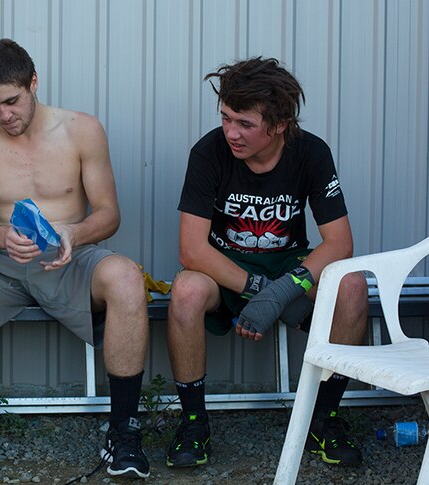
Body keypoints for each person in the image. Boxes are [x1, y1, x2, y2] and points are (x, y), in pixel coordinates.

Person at [0, 38, 151, 482]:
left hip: (70, 256)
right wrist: (1, 236)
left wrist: (74, 232)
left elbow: (109, 214)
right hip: (0, 261)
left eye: (11, 101)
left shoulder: (82, 129)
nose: (4, 116)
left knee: (125, 277)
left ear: (33, 83)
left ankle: (124, 432)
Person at [166, 57, 368, 469]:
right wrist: (260, 292)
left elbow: (340, 242)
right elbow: (192, 249)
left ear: (279, 126)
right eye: (225, 118)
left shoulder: (310, 152)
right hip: (224, 266)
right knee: (186, 289)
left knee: (352, 285)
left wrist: (282, 290)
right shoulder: (209, 152)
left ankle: (323, 421)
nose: (231, 133)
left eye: (244, 123)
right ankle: (193, 424)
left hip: (288, 265)